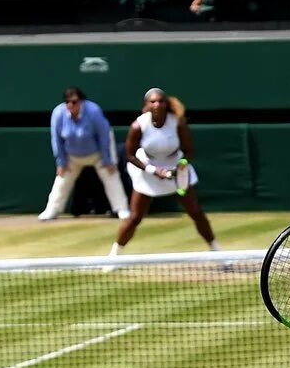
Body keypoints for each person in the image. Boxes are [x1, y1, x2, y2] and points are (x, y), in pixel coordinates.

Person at [114, 88, 218, 259]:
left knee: (196, 213)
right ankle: (113, 257)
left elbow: (189, 152)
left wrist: (179, 168)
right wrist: (153, 171)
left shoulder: (177, 123)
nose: (157, 104)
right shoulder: (138, 126)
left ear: (166, 104)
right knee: (135, 218)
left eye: (161, 101)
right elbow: (130, 155)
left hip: (175, 166)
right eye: (153, 101)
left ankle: (217, 253)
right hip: (147, 168)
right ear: (146, 105)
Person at [40, 87, 130, 222]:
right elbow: (56, 139)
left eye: (74, 102)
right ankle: (52, 210)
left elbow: (104, 136)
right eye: (67, 102)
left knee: (111, 176)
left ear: (81, 102)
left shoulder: (93, 111)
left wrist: (107, 159)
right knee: (61, 181)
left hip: (98, 153)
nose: (70, 105)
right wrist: (61, 162)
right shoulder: (58, 113)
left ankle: (121, 209)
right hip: (72, 156)